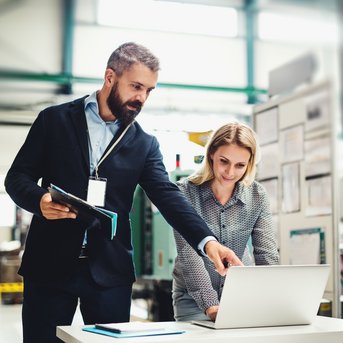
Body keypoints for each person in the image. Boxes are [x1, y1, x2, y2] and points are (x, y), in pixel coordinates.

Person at [4, 42, 242, 343]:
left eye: (149, 90)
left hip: (109, 270)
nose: (141, 97)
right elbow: (16, 178)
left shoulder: (144, 143)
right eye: (136, 86)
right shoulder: (54, 121)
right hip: (49, 265)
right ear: (110, 77)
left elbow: (169, 197)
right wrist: (39, 201)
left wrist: (208, 242)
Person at [172, 122, 280, 322]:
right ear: (211, 153)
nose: (230, 172)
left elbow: (266, 253)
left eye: (240, 165)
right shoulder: (185, 192)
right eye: (224, 161)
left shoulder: (257, 195)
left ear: (250, 164)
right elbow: (189, 256)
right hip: (194, 300)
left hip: (241, 296)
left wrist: (273, 299)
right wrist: (212, 307)